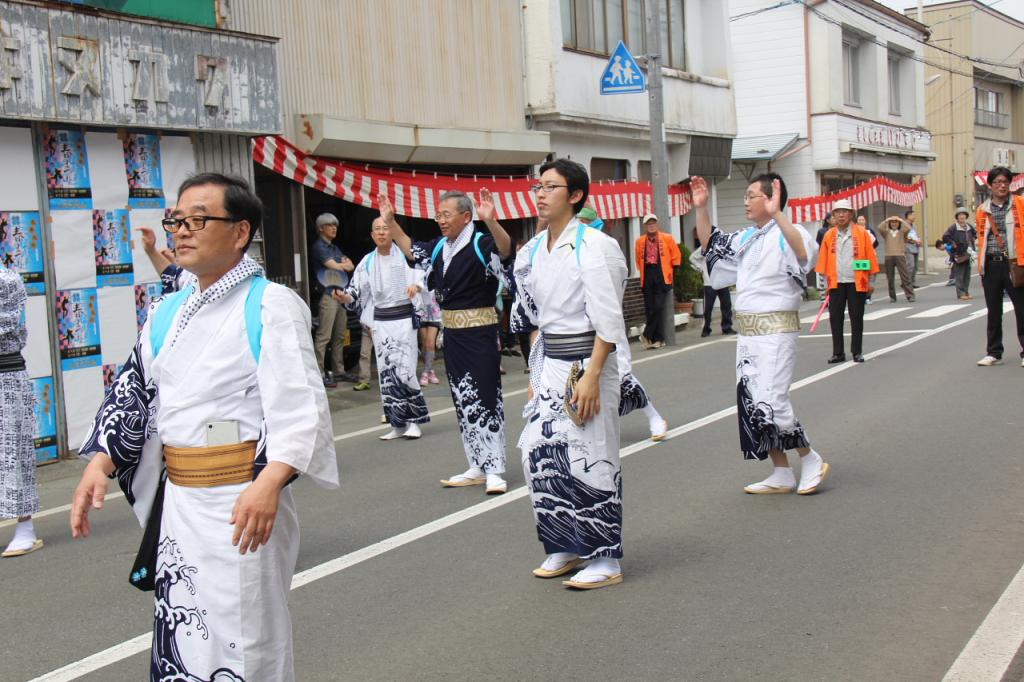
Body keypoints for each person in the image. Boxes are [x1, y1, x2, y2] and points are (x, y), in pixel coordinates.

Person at [71, 173, 339, 682]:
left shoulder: (271, 305)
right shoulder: (166, 311)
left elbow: (300, 405)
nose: (182, 231)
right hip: (181, 508)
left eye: (198, 220)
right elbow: (135, 392)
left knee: (247, 640)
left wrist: (269, 482)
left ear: (240, 232)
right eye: (177, 220)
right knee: (183, 636)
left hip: (243, 502)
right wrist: (101, 463)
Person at [514, 158, 628, 589]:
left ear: (576, 195)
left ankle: (605, 556)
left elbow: (608, 318)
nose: (540, 194)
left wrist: (594, 374)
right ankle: (565, 541)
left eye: (550, 187)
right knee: (539, 453)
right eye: (537, 187)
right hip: (550, 360)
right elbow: (534, 318)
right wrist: (534, 370)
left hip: (587, 359)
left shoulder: (596, 246)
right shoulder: (532, 249)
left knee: (590, 454)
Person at [693, 173, 829, 495]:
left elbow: (804, 256)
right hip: (748, 333)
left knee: (772, 401)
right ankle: (780, 470)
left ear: (771, 198)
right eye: (747, 195)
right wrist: (701, 208)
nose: (745, 201)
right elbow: (710, 245)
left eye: (752, 195)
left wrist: (779, 212)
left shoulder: (789, 232)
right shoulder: (747, 238)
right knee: (752, 402)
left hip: (777, 331)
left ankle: (810, 458)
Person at [383, 188, 512, 494]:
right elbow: (412, 250)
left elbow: (505, 250)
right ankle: (477, 464)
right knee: (463, 398)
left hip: (480, 332)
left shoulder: (480, 242)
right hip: (452, 333)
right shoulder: (442, 246)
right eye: (438, 214)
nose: (440, 220)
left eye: (446, 214)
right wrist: (390, 222)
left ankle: (495, 468)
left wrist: (491, 221)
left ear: (466, 216)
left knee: (485, 396)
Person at [338, 217, 430, 440]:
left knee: (405, 369)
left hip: (403, 319)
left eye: (385, 228)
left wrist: (416, 286)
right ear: (372, 235)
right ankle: (397, 423)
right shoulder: (367, 261)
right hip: (381, 322)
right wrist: (344, 296)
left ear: (392, 232)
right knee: (386, 372)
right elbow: (356, 291)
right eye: (377, 229)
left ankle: (414, 420)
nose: (381, 233)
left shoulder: (406, 257)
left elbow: (425, 274)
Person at [1, 266, 41, 558]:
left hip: (6, 376)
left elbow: (5, 323)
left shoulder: (7, 279)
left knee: (15, 453)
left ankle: (25, 529)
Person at [815, 199, 879, 364]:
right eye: (837, 212)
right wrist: (825, 286)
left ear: (851, 214)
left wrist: (870, 281)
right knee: (835, 318)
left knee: (856, 316)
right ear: (833, 216)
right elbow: (823, 262)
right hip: (836, 282)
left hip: (856, 281)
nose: (841, 215)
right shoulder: (829, 235)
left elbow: (869, 258)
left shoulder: (861, 233)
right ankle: (838, 352)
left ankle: (856, 351)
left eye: (845, 212)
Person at [974, 166, 1024, 367]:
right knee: (993, 309)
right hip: (991, 263)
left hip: (1015, 264)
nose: (1002, 186)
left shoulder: (1020, 204)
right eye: (998, 183)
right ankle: (993, 352)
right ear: (991, 185)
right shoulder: (982, 209)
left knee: (1021, 309)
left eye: (1005, 182)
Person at [311, 213, 355, 388]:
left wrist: (341, 264)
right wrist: (341, 265)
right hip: (327, 294)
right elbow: (335, 266)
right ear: (321, 228)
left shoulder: (334, 248)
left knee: (339, 335)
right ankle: (319, 373)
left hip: (340, 293)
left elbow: (351, 265)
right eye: (329, 225)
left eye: (335, 225)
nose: (334, 228)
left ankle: (339, 370)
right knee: (324, 335)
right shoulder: (319, 247)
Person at [634, 214, 681, 349]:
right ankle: (657, 339)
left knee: (658, 306)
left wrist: (672, 270)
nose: (651, 225)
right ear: (645, 226)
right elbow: (638, 259)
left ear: (657, 224)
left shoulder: (667, 238)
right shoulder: (640, 241)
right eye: (649, 223)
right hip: (647, 273)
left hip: (662, 274)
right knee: (650, 308)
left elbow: (676, 255)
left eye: (653, 222)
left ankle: (647, 334)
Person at [691, 226, 735, 337]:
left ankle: (727, 327)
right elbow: (692, 258)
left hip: (722, 281)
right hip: (709, 282)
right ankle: (706, 329)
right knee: (708, 308)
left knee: (726, 305)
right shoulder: (704, 248)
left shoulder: (723, 248)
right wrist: (700, 268)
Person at [941, 208, 977, 301]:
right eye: (960, 215)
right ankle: (960, 293)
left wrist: (973, 243)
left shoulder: (969, 226)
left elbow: (975, 234)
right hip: (959, 253)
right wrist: (953, 244)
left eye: (963, 215)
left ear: (966, 216)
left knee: (967, 275)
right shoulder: (953, 227)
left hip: (969, 253)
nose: (962, 216)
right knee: (960, 275)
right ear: (957, 217)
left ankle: (966, 292)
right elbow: (945, 237)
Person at [878, 215, 916, 303]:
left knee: (905, 276)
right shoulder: (886, 232)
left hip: (900, 255)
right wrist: (887, 220)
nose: (894, 224)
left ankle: (910, 295)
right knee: (890, 277)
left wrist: (901, 220)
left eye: (896, 222)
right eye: (892, 222)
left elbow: (908, 228)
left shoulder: (902, 232)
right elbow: (880, 227)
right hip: (889, 255)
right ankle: (892, 296)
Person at [418, 287, 442, 385]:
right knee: (425, 345)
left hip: (434, 311)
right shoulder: (416, 272)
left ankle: (425, 373)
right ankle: (430, 371)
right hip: (421, 310)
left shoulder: (434, 271)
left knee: (430, 344)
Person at [904, 210, 923, 288]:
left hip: (915, 247)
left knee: (915, 267)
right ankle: (906, 283)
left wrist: (919, 240)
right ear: (908, 216)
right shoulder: (904, 225)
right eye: (913, 215)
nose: (914, 217)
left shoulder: (914, 225)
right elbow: (904, 237)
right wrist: (914, 241)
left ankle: (912, 282)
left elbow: (917, 234)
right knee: (910, 265)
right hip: (908, 247)